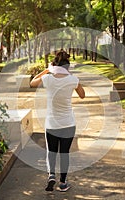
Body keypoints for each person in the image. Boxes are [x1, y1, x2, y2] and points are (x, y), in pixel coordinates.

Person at [30, 50, 85, 192]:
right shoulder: (73, 80)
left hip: (52, 124)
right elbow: (82, 95)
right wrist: (72, 78)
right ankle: (63, 183)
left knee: (51, 152)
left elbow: (32, 83)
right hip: (68, 124)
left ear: (55, 65)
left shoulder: (48, 79)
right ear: (68, 67)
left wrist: (46, 71)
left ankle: (51, 175)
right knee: (64, 152)